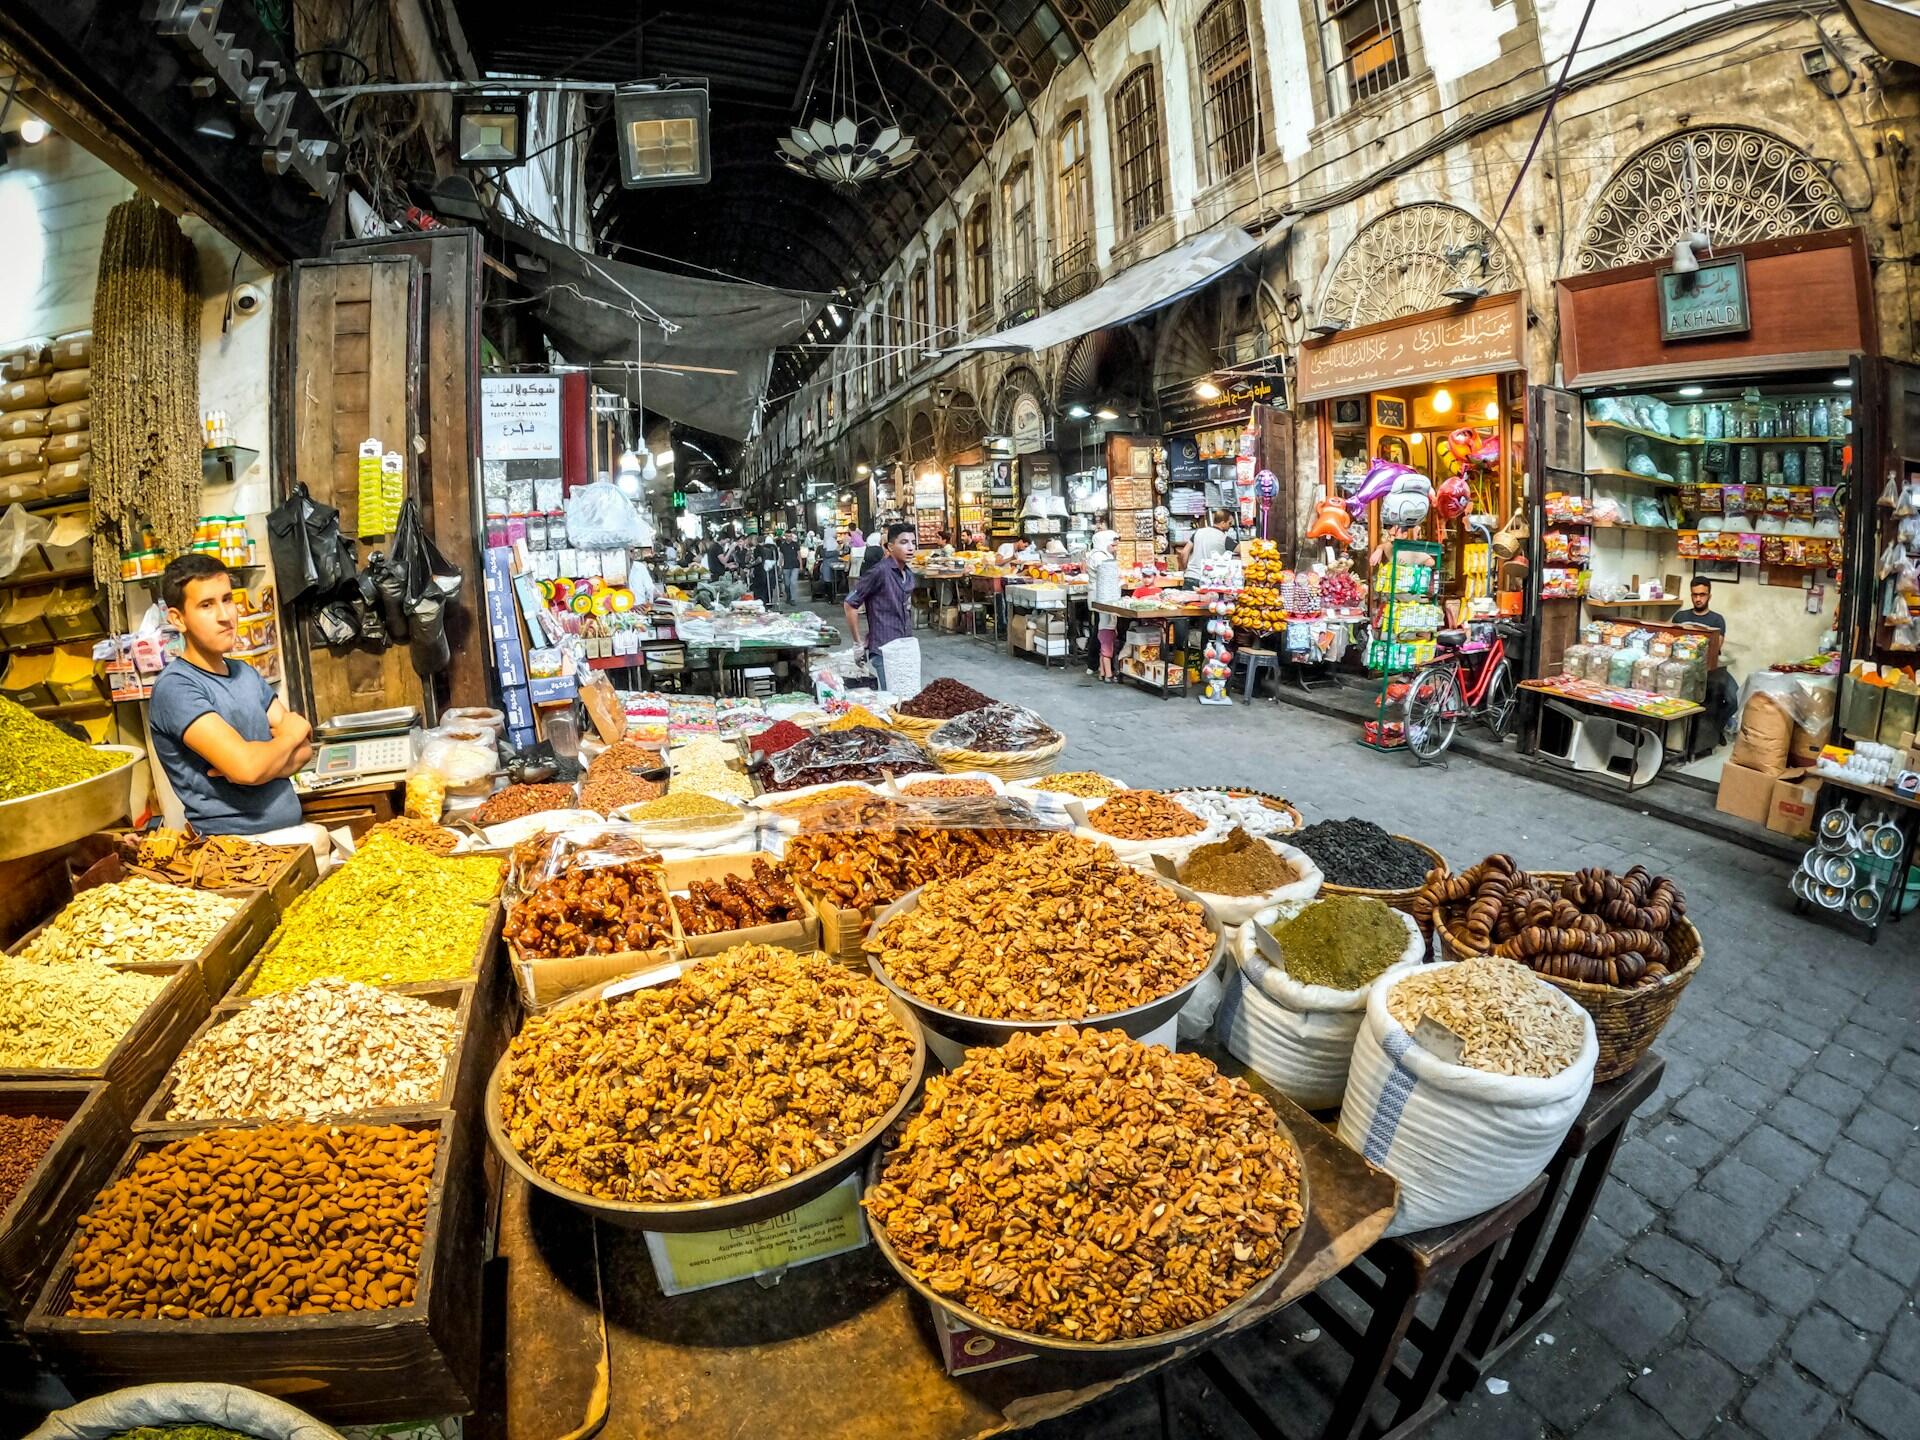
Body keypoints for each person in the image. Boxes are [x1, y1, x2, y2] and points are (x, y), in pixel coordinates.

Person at [149, 554, 313, 836]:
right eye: (206, 605)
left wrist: (258, 766)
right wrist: (290, 735)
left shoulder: (245, 673)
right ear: (178, 619)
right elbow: (248, 768)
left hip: (291, 834)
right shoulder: (176, 689)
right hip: (236, 852)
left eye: (227, 599)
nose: (225, 616)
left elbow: (305, 752)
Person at [844, 521, 919, 693]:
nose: (910, 547)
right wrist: (857, 643)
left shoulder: (908, 574)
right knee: (893, 702)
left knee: (908, 700)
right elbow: (850, 604)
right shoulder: (880, 571)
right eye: (903, 542)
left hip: (905, 645)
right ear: (890, 547)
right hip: (885, 649)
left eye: (913, 542)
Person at [1085, 529, 1122, 683]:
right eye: (1112, 543)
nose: (1115, 546)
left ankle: (1098, 666)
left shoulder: (1103, 555)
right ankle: (1096, 664)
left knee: (1101, 629)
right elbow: (1107, 576)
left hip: (1105, 596)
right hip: (1102, 597)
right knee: (1103, 630)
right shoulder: (1099, 557)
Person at [1178, 511, 1229, 580]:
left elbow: (1184, 552)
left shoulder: (1198, 532)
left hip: (1192, 576)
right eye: (1230, 523)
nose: (1230, 527)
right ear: (1223, 523)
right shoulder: (1224, 538)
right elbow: (1242, 550)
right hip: (1210, 579)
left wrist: (1185, 569)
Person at [777, 528, 801, 605]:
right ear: (785, 536)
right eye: (787, 536)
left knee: (793, 582)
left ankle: (793, 599)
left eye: (790, 536)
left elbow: (799, 555)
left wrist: (801, 566)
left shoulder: (795, 544)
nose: (789, 538)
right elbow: (781, 557)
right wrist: (780, 566)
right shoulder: (782, 546)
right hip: (786, 567)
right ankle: (789, 596)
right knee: (787, 584)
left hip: (795, 566)